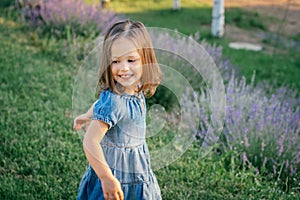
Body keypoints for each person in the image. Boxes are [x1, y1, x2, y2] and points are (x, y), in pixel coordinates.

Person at [73, 20, 162, 200]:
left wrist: (87, 115)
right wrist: (106, 178)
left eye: (131, 60)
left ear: (145, 60)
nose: (124, 68)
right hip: (114, 173)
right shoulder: (114, 100)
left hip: (135, 169)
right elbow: (90, 142)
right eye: (116, 61)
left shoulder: (135, 88)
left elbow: (100, 104)